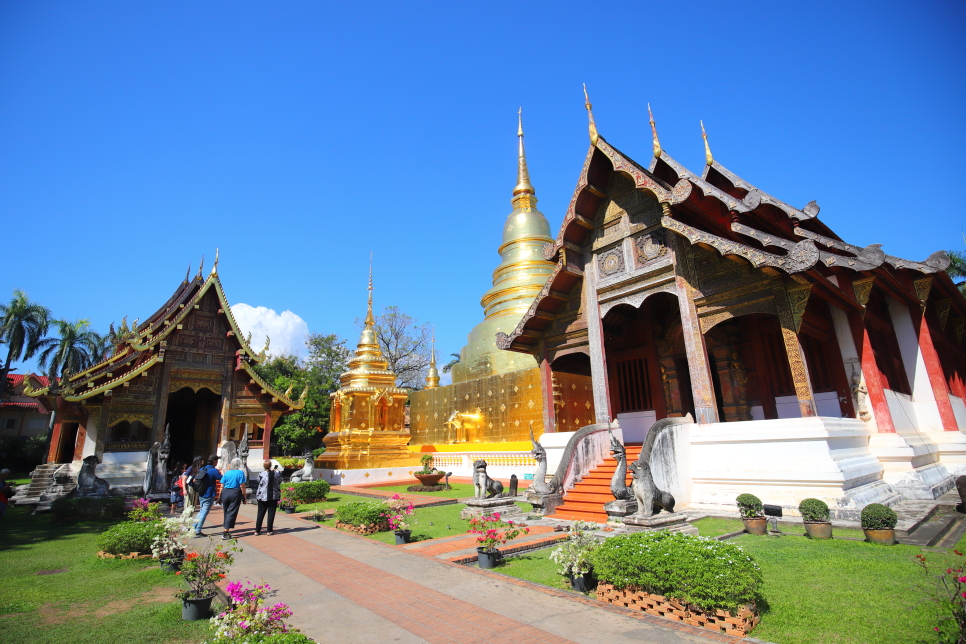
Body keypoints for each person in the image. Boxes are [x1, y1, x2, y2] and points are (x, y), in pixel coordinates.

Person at [193, 454, 222, 537]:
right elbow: (221, 478)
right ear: (214, 461)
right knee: (204, 512)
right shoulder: (213, 470)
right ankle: (198, 531)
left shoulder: (203, 468)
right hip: (209, 493)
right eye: (217, 461)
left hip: (201, 492)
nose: (217, 462)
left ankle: (193, 527)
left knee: (201, 511)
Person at [220, 457, 248, 540]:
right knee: (231, 512)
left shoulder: (227, 473)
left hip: (225, 492)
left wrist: (220, 496)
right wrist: (244, 496)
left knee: (226, 511)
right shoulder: (240, 473)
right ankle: (226, 532)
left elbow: (222, 485)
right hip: (235, 492)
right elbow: (242, 486)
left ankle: (225, 528)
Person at [254, 459, 282, 536]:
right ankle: (269, 530)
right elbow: (280, 480)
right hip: (273, 496)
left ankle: (257, 530)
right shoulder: (276, 474)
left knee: (260, 513)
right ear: (270, 466)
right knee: (271, 513)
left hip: (262, 496)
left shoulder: (261, 474)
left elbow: (258, 481)